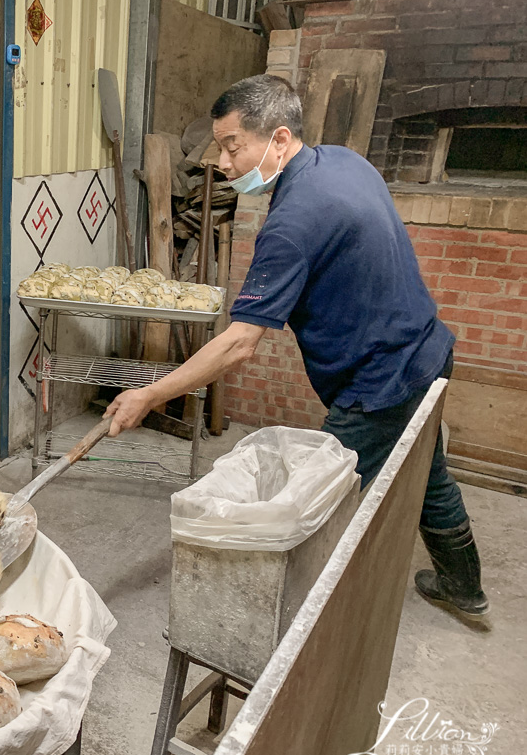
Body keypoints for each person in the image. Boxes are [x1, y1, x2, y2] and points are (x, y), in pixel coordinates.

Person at [105, 74, 488, 620]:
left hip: (380, 382)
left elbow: (239, 343)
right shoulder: (342, 161)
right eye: (221, 145)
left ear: (279, 139)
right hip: (428, 349)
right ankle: (463, 586)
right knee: (428, 470)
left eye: (233, 145)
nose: (223, 161)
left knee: (312, 500)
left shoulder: (291, 224)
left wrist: (149, 393)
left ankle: (299, 623)